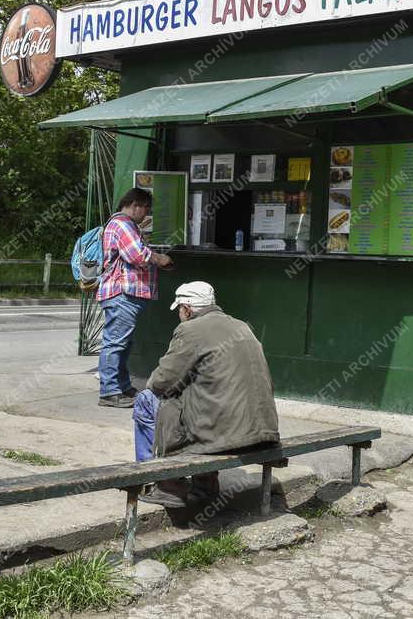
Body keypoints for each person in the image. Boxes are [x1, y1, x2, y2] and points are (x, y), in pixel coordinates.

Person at [133, 281, 280, 508]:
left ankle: (162, 481)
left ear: (188, 309)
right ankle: (205, 485)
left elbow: (160, 382)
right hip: (262, 434)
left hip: (225, 436)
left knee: (148, 400)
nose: (179, 315)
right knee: (203, 395)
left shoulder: (190, 330)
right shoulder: (241, 325)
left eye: (179, 309)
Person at [96, 188, 172, 407]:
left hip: (124, 293)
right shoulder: (123, 224)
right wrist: (160, 259)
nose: (147, 214)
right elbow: (137, 254)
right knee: (116, 343)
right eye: (147, 208)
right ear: (136, 204)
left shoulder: (124, 224)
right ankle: (109, 392)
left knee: (123, 343)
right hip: (122, 293)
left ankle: (121, 387)